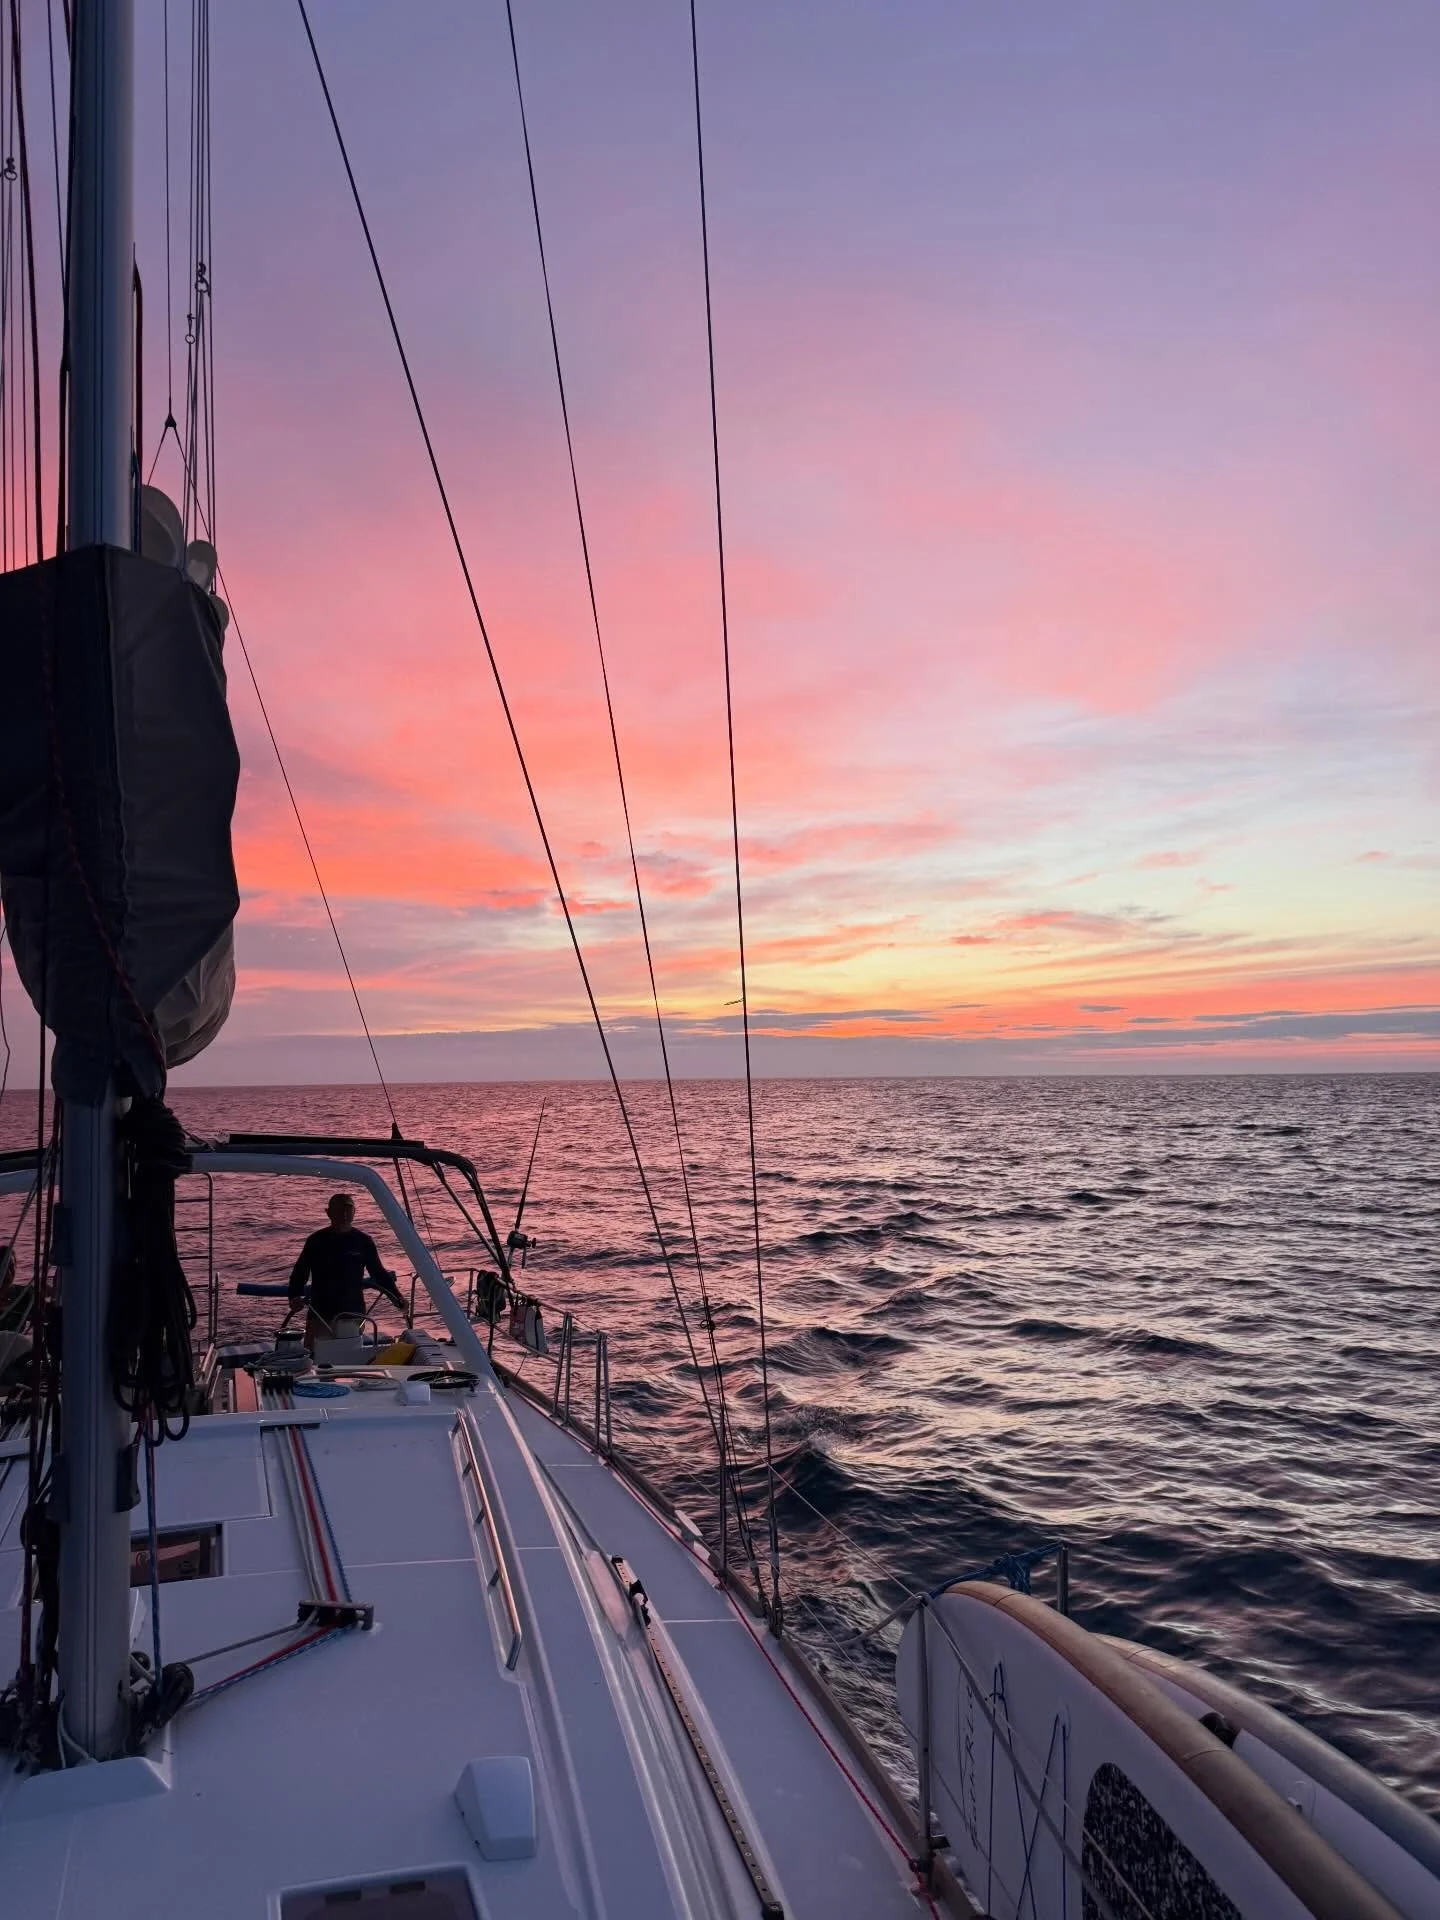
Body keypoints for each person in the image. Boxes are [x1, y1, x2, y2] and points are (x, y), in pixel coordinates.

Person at [288, 1193, 407, 1350]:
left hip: (353, 1311)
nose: (344, 1215)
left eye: (348, 1210)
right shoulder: (316, 1241)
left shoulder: (363, 1241)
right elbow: (300, 1272)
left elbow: (378, 1272)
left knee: (350, 1354)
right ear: (328, 1213)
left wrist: (396, 1297)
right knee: (315, 1355)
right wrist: (294, 1296)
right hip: (321, 1312)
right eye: (339, 1210)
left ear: (354, 1212)